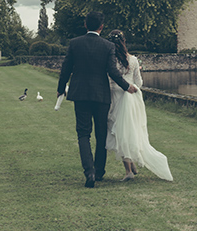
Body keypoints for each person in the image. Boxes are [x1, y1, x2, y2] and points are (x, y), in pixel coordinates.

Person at [57, 12, 137, 188]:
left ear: (85, 25)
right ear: (101, 27)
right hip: (101, 95)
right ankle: (99, 171)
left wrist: (60, 89)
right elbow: (112, 72)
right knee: (101, 134)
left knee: (83, 134)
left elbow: (66, 69)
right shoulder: (107, 46)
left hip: (80, 94)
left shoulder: (74, 43)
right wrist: (127, 86)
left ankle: (89, 172)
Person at [106, 29, 173, 182]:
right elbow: (140, 83)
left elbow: (110, 80)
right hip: (131, 97)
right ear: (124, 42)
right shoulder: (134, 60)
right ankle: (131, 164)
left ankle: (128, 170)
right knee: (129, 130)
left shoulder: (110, 61)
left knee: (119, 132)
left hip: (115, 97)